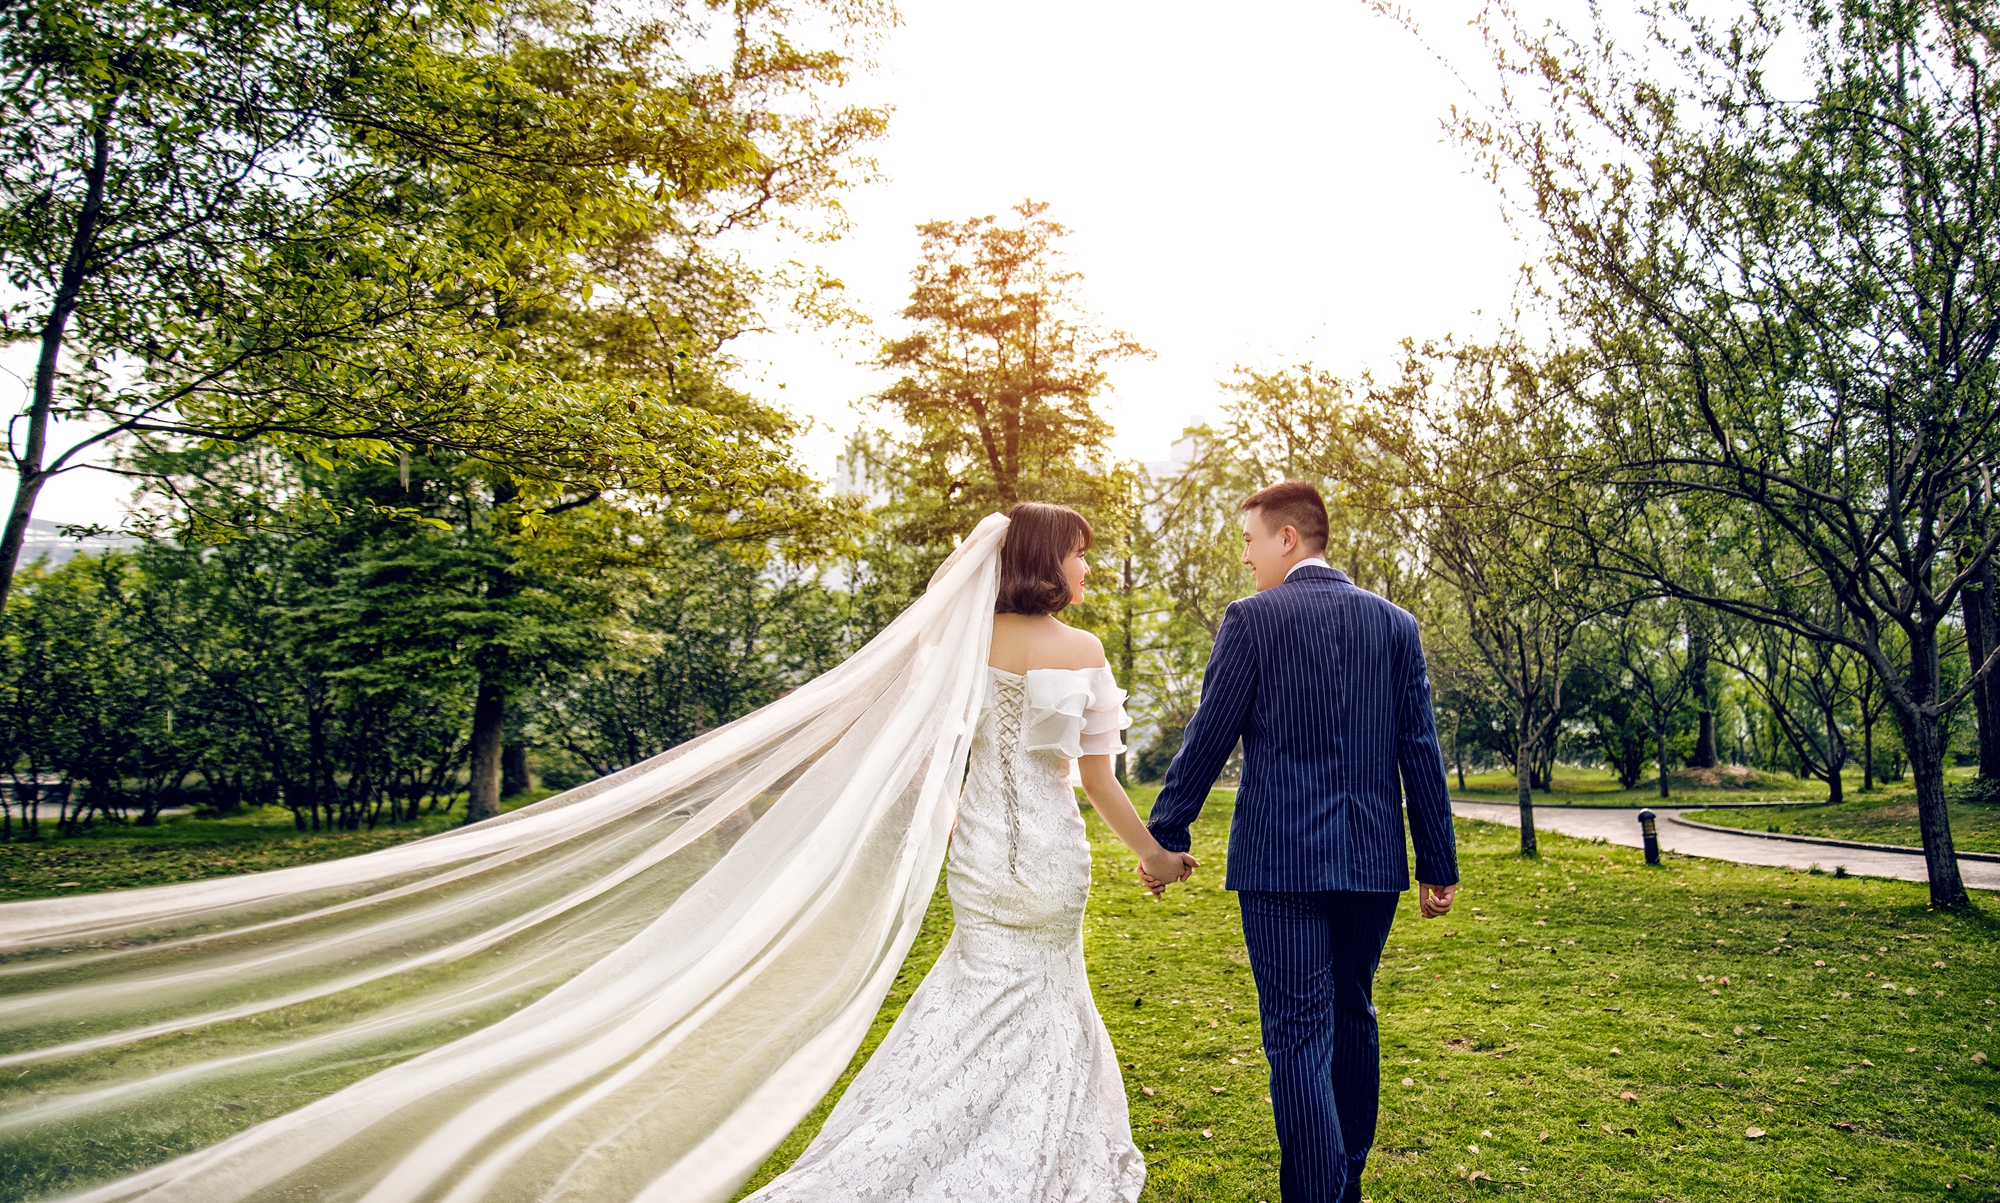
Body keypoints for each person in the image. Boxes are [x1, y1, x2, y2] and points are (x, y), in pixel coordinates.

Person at [745, 501, 1198, 1202]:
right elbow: (1099, 777)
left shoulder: (965, 643)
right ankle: (1025, 1135)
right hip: (1052, 860)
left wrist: (960, 822)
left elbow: (923, 755)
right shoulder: (1083, 651)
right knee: (1047, 995)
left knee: (977, 996)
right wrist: (1155, 854)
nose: (1086, 566)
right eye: (1078, 552)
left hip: (982, 858)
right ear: (1046, 560)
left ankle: (921, 1131)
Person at [1142, 479, 1460, 1203]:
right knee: (1352, 1014)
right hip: (1373, 863)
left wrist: (1164, 836)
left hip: (1279, 865)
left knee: (1296, 1035)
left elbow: (1207, 737)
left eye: (1251, 540)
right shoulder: (1396, 625)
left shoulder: (1252, 619)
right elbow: (1421, 750)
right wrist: (1436, 862)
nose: (1247, 558)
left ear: (1289, 538)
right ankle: (1346, 1182)